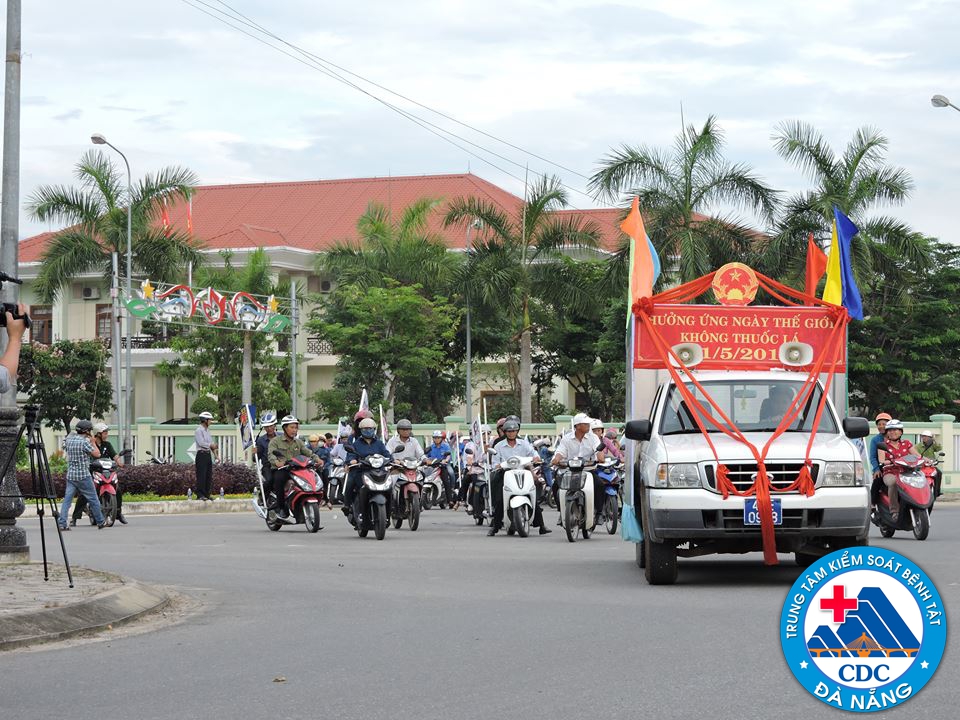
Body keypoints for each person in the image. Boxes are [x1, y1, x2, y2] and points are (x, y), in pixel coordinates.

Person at [487, 419, 550, 535]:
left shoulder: (524, 443)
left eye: (514, 431)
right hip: (506, 473)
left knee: (531, 493)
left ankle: (541, 525)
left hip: (523, 472)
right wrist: (498, 466)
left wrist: (536, 458)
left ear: (517, 431)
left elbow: (533, 454)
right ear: (505, 432)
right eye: (509, 431)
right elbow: (495, 463)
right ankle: (495, 526)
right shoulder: (499, 445)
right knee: (500, 498)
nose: (511, 433)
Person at [552, 413, 606, 523]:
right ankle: (562, 512)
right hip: (570, 470)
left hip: (588, 470)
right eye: (586, 424)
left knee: (600, 485)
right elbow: (560, 452)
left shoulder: (593, 437)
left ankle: (599, 512)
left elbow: (598, 450)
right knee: (555, 486)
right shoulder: (567, 439)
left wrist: (599, 455)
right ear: (577, 426)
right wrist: (556, 459)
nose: (588, 426)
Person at [267, 415, 324, 519]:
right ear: (285, 428)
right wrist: (277, 462)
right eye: (292, 427)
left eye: (296, 427)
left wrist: (318, 459)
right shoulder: (275, 441)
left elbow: (308, 453)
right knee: (279, 480)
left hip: (297, 470)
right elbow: (271, 455)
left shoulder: (298, 442)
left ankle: (322, 500)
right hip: (282, 469)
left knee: (315, 476)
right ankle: (281, 508)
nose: (294, 430)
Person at [71, 423, 127, 526]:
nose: (107, 435)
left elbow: (115, 456)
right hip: (93, 472)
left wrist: (120, 463)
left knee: (117, 490)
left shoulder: (107, 445)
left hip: (106, 472)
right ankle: (75, 517)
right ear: (98, 434)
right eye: (105, 433)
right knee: (85, 493)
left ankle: (118, 513)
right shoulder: (89, 443)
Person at [343, 417, 392, 524]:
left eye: (370, 428)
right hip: (362, 471)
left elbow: (387, 454)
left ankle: (389, 512)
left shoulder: (379, 443)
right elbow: (351, 455)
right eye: (365, 428)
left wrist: (393, 460)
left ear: (374, 429)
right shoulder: (356, 444)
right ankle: (347, 505)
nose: (368, 430)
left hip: (379, 471)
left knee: (390, 487)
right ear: (361, 430)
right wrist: (352, 461)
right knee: (350, 481)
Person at [58, 420, 106, 530]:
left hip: (71, 476)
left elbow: (64, 443)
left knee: (67, 501)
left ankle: (62, 523)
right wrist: (93, 442)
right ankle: (100, 521)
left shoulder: (69, 440)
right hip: (83, 476)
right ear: (87, 431)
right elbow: (97, 454)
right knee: (93, 499)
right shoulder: (85, 442)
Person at [878, 419, 913, 520]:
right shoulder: (883, 445)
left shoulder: (907, 444)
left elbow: (917, 456)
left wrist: (927, 460)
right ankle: (894, 511)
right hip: (890, 472)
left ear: (901, 432)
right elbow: (881, 460)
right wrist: (892, 461)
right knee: (893, 483)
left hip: (906, 472)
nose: (892, 432)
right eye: (889, 430)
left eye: (895, 430)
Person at [426, 430, 457, 509]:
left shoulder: (446, 446)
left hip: (443, 466)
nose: (436, 439)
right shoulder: (431, 447)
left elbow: (448, 455)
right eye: (435, 438)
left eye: (438, 438)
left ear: (441, 438)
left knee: (448, 478)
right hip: (433, 466)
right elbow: (426, 456)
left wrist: (445, 460)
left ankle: (450, 500)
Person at [194, 411, 219, 501]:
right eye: (210, 420)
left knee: (208, 475)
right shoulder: (198, 430)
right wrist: (211, 445)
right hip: (201, 455)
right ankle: (200, 495)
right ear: (205, 420)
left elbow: (211, 444)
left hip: (208, 455)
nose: (211, 422)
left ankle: (207, 494)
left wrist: (216, 456)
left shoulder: (208, 431)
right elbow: (201, 443)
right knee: (201, 475)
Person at [868, 412, 891, 506]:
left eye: (884, 424)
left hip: (895, 466)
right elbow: (873, 457)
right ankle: (872, 504)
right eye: (879, 424)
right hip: (881, 467)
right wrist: (877, 469)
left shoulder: (895, 437)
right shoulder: (875, 440)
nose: (881, 426)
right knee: (877, 480)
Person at [916, 430, 944, 498]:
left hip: (931, 465)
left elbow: (939, 448)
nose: (925, 438)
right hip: (921, 466)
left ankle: (937, 491)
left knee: (939, 473)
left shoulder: (932, 445)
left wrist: (934, 441)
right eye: (923, 436)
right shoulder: (918, 446)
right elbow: (916, 455)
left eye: (927, 437)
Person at [255, 412, 278, 494]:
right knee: (269, 481)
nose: (269, 428)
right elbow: (256, 459)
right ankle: (263, 497)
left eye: (271, 426)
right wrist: (255, 452)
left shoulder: (282, 437)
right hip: (268, 466)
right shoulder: (260, 440)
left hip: (282, 465)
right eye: (266, 427)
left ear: (275, 425)